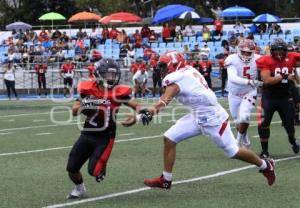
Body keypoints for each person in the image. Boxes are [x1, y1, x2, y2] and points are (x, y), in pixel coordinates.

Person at [122, 51, 276, 189]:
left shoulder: (176, 79)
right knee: (169, 138)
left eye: (164, 66)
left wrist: (138, 117)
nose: (162, 70)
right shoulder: (188, 70)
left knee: (233, 151)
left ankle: (265, 165)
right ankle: (166, 180)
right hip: (198, 114)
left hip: (212, 118)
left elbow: (163, 101)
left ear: (173, 64)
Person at [256, 38, 300, 158]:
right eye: (276, 51)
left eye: (282, 50)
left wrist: (294, 74)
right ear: (272, 51)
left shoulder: (291, 57)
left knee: (290, 125)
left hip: (285, 97)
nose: (279, 53)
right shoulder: (266, 60)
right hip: (269, 97)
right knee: (264, 124)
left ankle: (293, 141)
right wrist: (285, 76)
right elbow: (267, 80)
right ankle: (265, 151)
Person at [225, 39, 262, 148]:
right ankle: (246, 141)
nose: (246, 55)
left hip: (249, 91)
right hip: (234, 93)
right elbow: (232, 78)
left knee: (244, 116)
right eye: (243, 52)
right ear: (238, 50)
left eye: (248, 53)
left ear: (253, 52)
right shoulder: (232, 59)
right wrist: (250, 81)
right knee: (238, 122)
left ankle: (237, 142)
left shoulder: (258, 59)